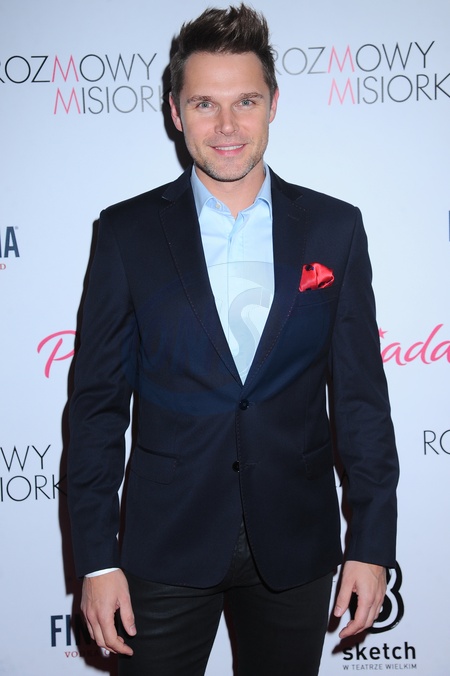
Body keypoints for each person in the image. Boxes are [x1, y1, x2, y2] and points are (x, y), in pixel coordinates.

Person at [67, 4, 399, 675]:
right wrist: (96, 560)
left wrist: (371, 543)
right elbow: (97, 407)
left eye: (245, 101)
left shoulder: (335, 229)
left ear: (274, 104)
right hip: (165, 545)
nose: (226, 126)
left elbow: (361, 400)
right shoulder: (126, 234)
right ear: (174, 112)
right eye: (204, 104)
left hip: (297, 544)